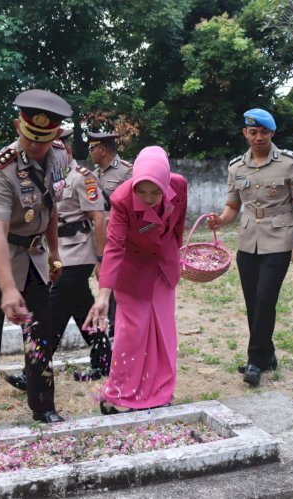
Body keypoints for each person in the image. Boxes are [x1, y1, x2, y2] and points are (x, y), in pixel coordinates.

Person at [0, 89, 71, 433]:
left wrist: (55, 255)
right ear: (17, 126)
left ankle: (43, 407)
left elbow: (50, 207)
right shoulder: (1, 167)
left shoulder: (59, 156)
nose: (35, 147)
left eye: (44, 139)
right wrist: (8, 290)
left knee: (39, 334)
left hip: (34, 256)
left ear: (55, 135)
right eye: (29, 138)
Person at [207, 108, 293, 388]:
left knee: (265, 299)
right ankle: (268, 354)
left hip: (279, 240)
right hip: (247, 242)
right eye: (253, 132)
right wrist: (220, 220)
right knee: (254, 303)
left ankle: (254, 361)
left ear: (272, 133)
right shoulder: (236, 167)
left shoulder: (289, 163)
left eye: (264, 132)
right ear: (245, 133)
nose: (258, 137)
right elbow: (232, 207)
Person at [4, 129, 111, 392]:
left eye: (54, 149)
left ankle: (33, 372)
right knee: (80, 306)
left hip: (79, 253)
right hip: (60, 253)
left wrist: (101, 259)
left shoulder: (82, 178)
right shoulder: (52, 179)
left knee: (52, 313)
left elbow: (98, 218)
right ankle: (106, 360)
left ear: (67, 151)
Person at [84, 145, 188, 414]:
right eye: (142, 190)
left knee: (162, 331)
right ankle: (120, 392)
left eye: (155, 191)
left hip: (163, 266)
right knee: (132, 332)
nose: (149, 197)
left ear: (166, 182)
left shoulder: (179, 186)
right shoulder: (122, 199)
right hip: (131, 267)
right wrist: (104, 295)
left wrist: (175, 257)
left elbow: (178, 226)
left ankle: (159, 390)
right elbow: (114, 246)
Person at [87, 131, 132, 338]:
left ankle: (118, 327)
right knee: (104, 281)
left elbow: (131, 207)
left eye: (92, 149)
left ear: (102, 149)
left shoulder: (126, 172)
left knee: (120, 284)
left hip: (121, 238)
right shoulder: (93, 174)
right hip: (99, 237)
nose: (90, 153)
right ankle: (111, 325)